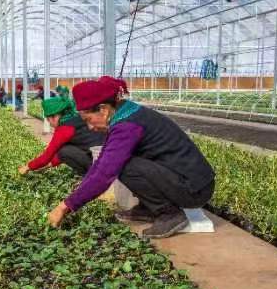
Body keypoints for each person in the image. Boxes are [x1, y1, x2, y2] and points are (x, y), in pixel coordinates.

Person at [47, 79, 215, 239]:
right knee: (122, 159)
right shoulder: (125, 113)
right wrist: (77, 193)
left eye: (88, 120)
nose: (90, 127)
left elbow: (105, 172)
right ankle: (149, 207)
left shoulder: (126, 126)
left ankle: (169, 213)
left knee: (124, 165)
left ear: (103, 109)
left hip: (193, 189)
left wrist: (65, 207)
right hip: (186, 179)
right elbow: (102, 161)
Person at [18, 97, 104, 176]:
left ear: (55, 117)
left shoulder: (64, 129)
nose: (49, 123)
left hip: (98, 162)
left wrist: (27, 167)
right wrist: (49, 165)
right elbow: (70, 151)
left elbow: (47, 156)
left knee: (63, 150)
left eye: (48, 120)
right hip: (104, 156)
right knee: (65, 148)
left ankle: (90, 176)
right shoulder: (77, 117)